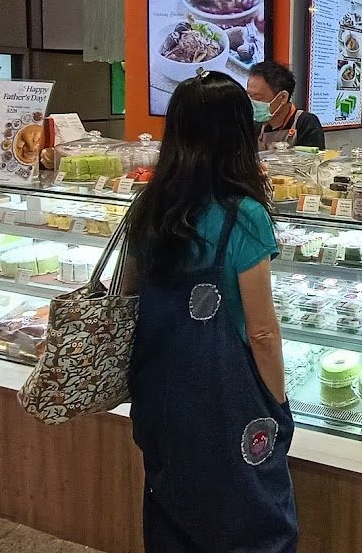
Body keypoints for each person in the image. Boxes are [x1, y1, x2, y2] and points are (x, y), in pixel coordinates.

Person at [123, 71, 297, 553]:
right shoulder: (244, 216)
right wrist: (277, 404)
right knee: (251, 520)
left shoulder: (148, 207)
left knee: (173, 510)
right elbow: (261, 332)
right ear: (237, 135)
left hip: (160, 394)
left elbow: (129, 299)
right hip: (226, 398)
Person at [247, 60, 325, 151]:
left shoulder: (306, 122)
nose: (252, 102)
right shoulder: (256, 125)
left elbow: (313, 160)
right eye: (249, 96)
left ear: (283, 97)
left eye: (258, 97)